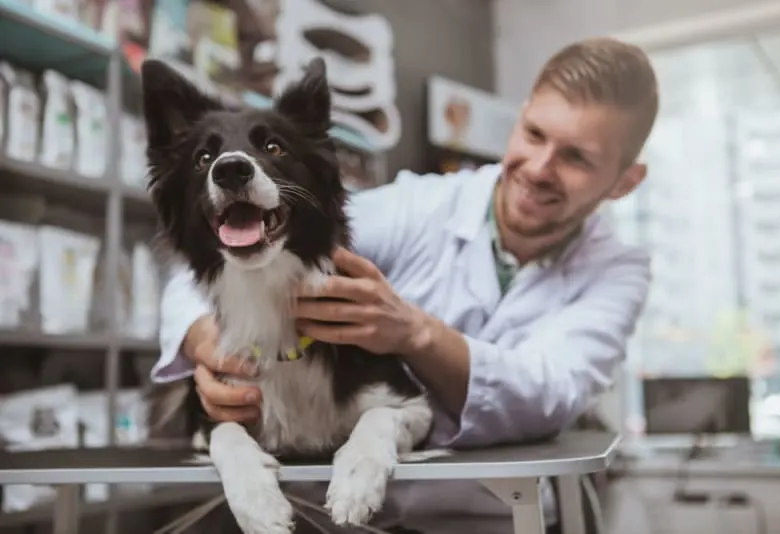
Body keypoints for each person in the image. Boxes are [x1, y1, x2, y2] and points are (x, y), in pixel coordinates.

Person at [151, 36, 658, 534]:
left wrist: (413, 333)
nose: (540, 167)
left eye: (576, 158)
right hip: (337, 518)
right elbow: (211, 260)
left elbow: (548, 392)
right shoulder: (418, 206)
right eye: (534, 134)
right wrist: (204, 341)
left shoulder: (618, 271)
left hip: (498, 519)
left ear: (624, 183)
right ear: (521, 116)